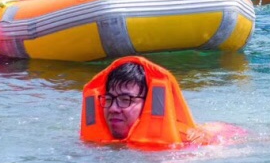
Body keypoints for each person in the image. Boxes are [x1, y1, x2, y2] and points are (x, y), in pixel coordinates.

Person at [80, 56, 229, 149]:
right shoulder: (90, 143)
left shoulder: (187, 143)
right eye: (109, 99)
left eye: (125, 100)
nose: (113, 108)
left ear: (149, 104)